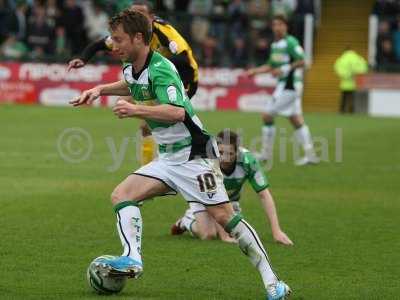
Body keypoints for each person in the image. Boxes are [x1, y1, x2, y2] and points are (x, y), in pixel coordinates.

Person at [70, 10, 291, 300]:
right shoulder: (130, 65)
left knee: (225, 218)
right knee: (121, 195)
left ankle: (273, 282)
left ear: (139, 38)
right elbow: (131, 84)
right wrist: (99, 89)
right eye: (112, 38)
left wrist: (136, 109)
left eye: (119, 39)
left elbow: (177, 112)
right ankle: (133, 258)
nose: (113, 44)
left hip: (194, 156)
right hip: (167, 159)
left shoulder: (162, 68)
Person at [67, 0, 199, 165]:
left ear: (151, 17)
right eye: (132, 14)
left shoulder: (163, 34)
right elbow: (100, 44)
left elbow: (184, 60)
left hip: (185, 78)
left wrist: (154, 66)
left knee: (169, 119)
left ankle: (187, 157)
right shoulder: (128, 42)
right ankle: (154, 168)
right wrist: (83, 60)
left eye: (140, 14)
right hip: (154, 76)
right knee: (146, 126)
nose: (115, 47)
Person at [171, 129, 293, 246]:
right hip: (204, 199)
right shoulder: (209, 162)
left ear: (237, 152)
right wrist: (224, 236)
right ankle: (186, 221)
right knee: (208, 235)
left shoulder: (248, 162)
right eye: (221, 152)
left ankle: (213, 222)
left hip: (230, 202)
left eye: (230, 153)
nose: (225, 158)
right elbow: (214, 199)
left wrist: (276, 231)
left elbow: (264, 195)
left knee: (235, 232)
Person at [245, 15, 319, 166]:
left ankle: (265, 154)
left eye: (280, 24)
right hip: (284, 86)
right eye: (274, 24)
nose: (277, 27)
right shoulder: (275, 45)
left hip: (290, 86)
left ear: (286, 26)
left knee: (267, 115)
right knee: (296, 119)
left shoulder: (290, 42)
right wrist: (256, 71)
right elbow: (271, 66)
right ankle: (311, 155)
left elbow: (302, 61)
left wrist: (284, 69)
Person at [334, 47, 368, 113]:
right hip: (354, 84)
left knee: (344, 98)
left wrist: (347, 75)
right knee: (352, 99)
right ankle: (351, 110)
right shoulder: (358, 58)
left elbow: (337, 68)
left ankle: (342, 110)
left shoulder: (342, 59)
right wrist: (355, 74)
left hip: (344, 83)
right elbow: (364, 68)